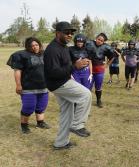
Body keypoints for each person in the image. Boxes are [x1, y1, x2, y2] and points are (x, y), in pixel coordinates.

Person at [44, 21, 92, 150]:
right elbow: (53, 72)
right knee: (86, 94)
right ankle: (77, 125)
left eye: (71, 33)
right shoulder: (52, 50)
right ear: (57, 33)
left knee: (67, 113)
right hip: (58, 83)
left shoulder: (64, 46)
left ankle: (61, 143)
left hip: (62, 81)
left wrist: (76, 63)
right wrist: (74, 67)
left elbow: (65, 64)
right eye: (66, 32)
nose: (70, 35)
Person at [7, 37, 50, 134]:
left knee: (41, 106)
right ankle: (24, 125)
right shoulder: (22, 55)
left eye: (36, 45)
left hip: (43, 86)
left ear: (39, 44)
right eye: (32, 45)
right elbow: (17, 71)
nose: (35, 47)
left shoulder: (44, 54)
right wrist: (18, 85)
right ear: (28, 47)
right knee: (29, 106)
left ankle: (40, 122)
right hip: (28, 87)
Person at [85, 33, 116, 108]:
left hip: (99, 70)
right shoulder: (89, 43)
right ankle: (85, 101)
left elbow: (113, 56)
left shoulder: (106, 47)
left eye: (101, 40)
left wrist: (107, 65)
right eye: (98, 39)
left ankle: (99, 100)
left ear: (104, 42)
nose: (99, 41)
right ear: (96, 38)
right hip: (89, 69)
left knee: (98, 86)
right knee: (87, 86)